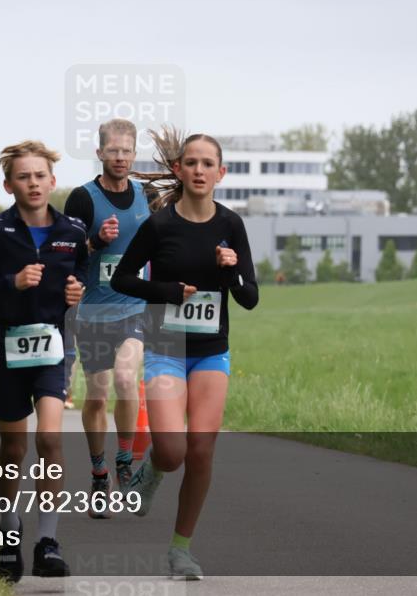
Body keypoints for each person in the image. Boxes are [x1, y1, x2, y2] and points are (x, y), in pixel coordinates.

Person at [112, 127, 259, 580]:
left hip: (212, 350)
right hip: (166, 346)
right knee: (172, 450)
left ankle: (181, 550)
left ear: (221, 173)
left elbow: (250, 297)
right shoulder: (160, 226)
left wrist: (232, 272)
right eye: (191, 162)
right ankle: (152, 472)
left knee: (200, 450)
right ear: (178, 169)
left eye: (207, 164)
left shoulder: (231, 225)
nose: (199, 170)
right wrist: (167, 290)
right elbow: (122, 279)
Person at [0, 140, 88, 582]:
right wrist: (11, 283)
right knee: (14, 448)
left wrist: (78, 293)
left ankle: (47, 541)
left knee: (50, 440)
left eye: (39, 176)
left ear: (52, 181)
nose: (32, 183)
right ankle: (9, 531)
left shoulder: (71, 231)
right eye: (23, 176)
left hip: (52, 348)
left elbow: (82, 277)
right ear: (8, 184)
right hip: (7, 350)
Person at [64, 118, 150, 515]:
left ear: (134, 154)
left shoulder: (145, 195)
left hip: (134, 307)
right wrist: (95, 242)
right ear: (100, 154)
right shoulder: (83, 199)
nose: (120, 157)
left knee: (125, 378)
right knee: (97, 396)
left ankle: (125, 462)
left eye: (127, 150)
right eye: (113, 150)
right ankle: (99, 472)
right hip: (93, 312)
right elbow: (64, 251)